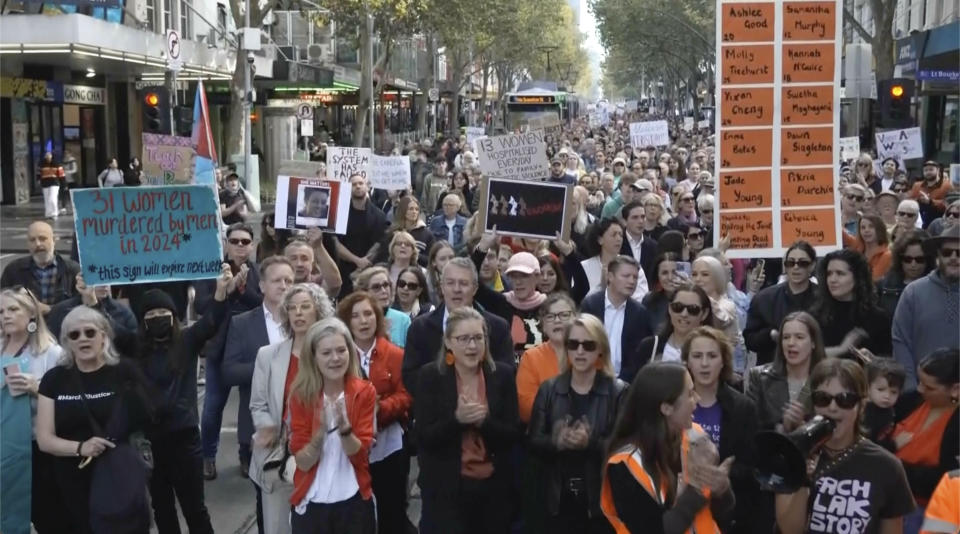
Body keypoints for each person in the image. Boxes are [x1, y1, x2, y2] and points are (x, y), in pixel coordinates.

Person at [35, 304, 159, 532]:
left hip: (120, 474)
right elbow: (44, 438)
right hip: (73, 481)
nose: (83, 338)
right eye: (74, 334)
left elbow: (147, 419)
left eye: (90, 332)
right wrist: (81, 447)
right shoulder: (54, 379)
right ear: (66, 342)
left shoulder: (125, 372)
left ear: (104, 336)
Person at [134, 275, 234, 533]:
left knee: (194, 509)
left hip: (185, 439)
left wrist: (221, 291)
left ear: (173, 315)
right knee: (162, 508)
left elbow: (212, 321)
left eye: (163, 311)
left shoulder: (187, 341)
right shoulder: (134, 349)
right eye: (151, 313)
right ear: (142, 320)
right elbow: (106, 329)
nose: (158, 317)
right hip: (151, 442)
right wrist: (93, 301)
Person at [773, 359, 916, 534]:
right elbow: (789, 530)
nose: (832, 407)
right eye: (822, 399)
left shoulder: (887, 466)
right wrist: (804, 478)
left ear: (861, 406)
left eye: (845, 400)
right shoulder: (792, 453)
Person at [414, 307, 520, 534]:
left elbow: (512, 434)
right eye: (463, 339)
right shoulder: (430, 376)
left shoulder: (502, 375)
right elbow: (423, 437)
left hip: (493, 491)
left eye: (478, 338)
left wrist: (485, 422)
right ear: (448, 342)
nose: (472, 346)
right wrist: (457, 420)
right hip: (447, 492)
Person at [600, 361, 735, 533]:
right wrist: (695, 491)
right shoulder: (625, 464)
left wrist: (722, 489)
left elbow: (723, 513)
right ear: (666, 408)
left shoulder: (696, 437)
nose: (697, 399)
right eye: (690, 394)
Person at [248, 282, 334, 534]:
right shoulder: (267, 355)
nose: (298, 313)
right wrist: (266, 426)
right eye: (292, 308)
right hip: (278, 458)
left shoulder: (334, 353)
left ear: (318, 311)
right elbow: (257, 404)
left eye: (305, 307)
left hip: (324, 455)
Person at [528, 314, 627, 534]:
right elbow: (533, 441)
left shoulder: (618, 391)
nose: (580, 351)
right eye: (573, 344)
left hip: (601, 502)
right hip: (557, 501)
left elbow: (625, 448)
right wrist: (557, 441)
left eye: (588, 345)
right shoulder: (549, 389)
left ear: (600, 349)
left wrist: (589, 442)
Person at [287, 318, 377, 534]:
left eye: (341, 350)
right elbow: (303, 462)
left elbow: (361, 455)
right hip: (312, 503)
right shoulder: (301, 396)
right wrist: (318, 436)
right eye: (326, 353)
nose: (335, 359)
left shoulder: (364, 392)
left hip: (353, 500)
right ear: (314, 357)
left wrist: (345, 430)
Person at [337, 292, 413, 534]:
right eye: (355, 316)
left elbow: (407, 396)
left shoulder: (395, 354)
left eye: (368, 314)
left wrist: (383, 408)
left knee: (392, 511)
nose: (363, 321)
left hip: (389, 445)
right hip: (351, 446)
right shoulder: (338, 356)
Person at [199, 224, 264, 480]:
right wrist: (223, 290)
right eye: (234, 241)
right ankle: (208, 456)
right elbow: (201, 305)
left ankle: (246, 454)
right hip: (220, 346)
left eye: (245, 241)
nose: (239, 245)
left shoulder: (259, 272)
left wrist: (242, 290)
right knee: (213, 405)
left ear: (252, 244)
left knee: (251, 405)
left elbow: (263, 303)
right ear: (225, 244)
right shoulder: (213, 270)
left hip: (250, 347)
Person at [681, 326, 760, 534]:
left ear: (723, 360)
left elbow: (752, 466)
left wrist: (723, 476)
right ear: (687, 361)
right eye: (697, 356)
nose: (705, 364)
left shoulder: (743, 408)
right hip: (682, 511)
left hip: (728, 515)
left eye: (712, 356)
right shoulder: (674, 405)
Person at [401, 258, 515, 400]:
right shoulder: (420, 328)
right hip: (435, 412)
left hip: (484, 411)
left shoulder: (498, 327)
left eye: (463, 283)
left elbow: (506, 376)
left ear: (475, 289)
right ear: (442, 287)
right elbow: (411, 377)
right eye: (450, 283)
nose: (456, 289)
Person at [1, 288, 63, 534]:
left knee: (48, 517)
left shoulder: (51, 353)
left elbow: (71, 401)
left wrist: (37, 388)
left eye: (13, 309)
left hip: (39, 451)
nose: (5, 315)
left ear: (31, 315)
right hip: (6, 449)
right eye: (1, 311)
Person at [889, 348, 959, 533]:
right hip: (887, 500)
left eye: (929, 387)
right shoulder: (910, 400)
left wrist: (893, 467)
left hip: (927, 511)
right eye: (920, 382)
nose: (920, 389)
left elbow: (946, 478)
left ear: (955, 389)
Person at [893, 226, 960, 390]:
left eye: (959, 253)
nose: (953, 258)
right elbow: (901, 342)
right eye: (946, 252)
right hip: (923, 395)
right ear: (938, 255)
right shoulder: (913, 293)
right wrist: (910, 388)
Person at [746, 311, 825, 432]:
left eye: (799, 337)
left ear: (813, 342)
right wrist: (782, 428)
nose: (791, 343)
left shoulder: (827, 380)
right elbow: (749, 428)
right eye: (786, 337)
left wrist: (803, 428)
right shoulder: (759, 377)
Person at [580, 255, 653, 383]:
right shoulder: (591, 305)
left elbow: (637, 356)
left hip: (625, 384)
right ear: (610, 277)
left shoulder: (640, 313)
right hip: (591, 378)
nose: (632, 281)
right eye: (626, 276)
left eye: (635, 277)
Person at [744, 241, 819, 365]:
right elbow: (750, 340)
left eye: (803, 263)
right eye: (790, 263)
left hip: (813, 369)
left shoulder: (823, 298)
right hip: (773, 370)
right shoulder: (764, 299)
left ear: (812, 265)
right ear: (785, 266)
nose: (796, 267)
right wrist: (771, 335)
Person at [811, 248, 891, 358]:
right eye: (829, 274)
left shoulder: (878, 318)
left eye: (840, 273)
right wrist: (841, 349)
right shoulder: (815, 316)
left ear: (857, 277)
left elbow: (889, 362)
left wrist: (873, 360)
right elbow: (807, 356)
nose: (832, 279)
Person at [516, 293, 577, 423]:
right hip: (544, 433)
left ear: (576, 319)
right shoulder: (531, 358)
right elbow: (525, 409)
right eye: (550, 316)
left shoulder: (589, 352)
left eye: (564, 315)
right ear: (543, 325)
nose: (557, 320)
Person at [1, 221, 81, 307]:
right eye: (32, 240)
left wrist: (50, 310)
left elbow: (80, 304)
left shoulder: (72, 270)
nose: (38, 244)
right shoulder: (13, 270)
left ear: (54, 240)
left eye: (42, 239)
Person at [691, 256, 746, 375]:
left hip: (728, 371)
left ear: (717, 276)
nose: (698, 279)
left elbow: (720, 319)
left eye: (705, 274)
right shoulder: (692, 303)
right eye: (694, 274)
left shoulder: (727, 304)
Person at [637, 282, 715, 365]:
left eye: (693, 309)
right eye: (678, 307)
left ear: (704, 314)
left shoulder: (715, 350)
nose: (684, 314)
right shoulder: (649, 347)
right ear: (669, 308)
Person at [336, 173, 388, 296]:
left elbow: (379, 243)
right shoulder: (340, 213)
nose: (358, 186)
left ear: (367, 187)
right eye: (354, 184)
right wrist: (357, 260)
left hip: (369, 270)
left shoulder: (379, 215)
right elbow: (335, 242)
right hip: (344, 271)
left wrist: (361, 266)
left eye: (361, 183)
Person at [46, 274, 137, 340]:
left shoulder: (123, 312)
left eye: (108, 276)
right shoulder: (61, 310)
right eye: (98, 277)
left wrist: (94, 306)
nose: (104, 284)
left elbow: (129, 344)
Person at [877, 230, 932, 319]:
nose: (913, 264)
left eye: (920, 259)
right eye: (907, 259)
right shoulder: (883, 286)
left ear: (928, 259)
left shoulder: (937, 287)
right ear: (900, 259)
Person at [353, 266, 411, 349]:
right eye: (376, 287)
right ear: (363, 292)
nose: (384, 291)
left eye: (386, 285)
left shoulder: (403, 320)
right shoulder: (357, 320)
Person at [376, 196, 435, 267]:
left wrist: (412, 252)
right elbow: (382, 255)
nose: (414, 212)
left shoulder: (427, 234)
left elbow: (431, 259)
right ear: (403, 210)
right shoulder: (392, 232)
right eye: (411, 209)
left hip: (416, 272)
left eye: (416, 209)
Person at [863, 357, 906, 444]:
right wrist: (895, 445)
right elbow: (870, 445)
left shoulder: (887, 409)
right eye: (880, 389)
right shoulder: (865, 413)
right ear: (867, 387)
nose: (887, 396)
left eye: (893, 392)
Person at [619, 200, 659, 282]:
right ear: (625, 221)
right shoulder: (618, 243)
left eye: (643, 217)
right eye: (635, 217)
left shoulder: (653, 246)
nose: (640, 221)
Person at [845, 214, 893, 281]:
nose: (866, 230)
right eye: (863, 227)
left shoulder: (886, 255)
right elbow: (843, 234)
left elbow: (873, 279)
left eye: (871, 226)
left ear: (879, 229)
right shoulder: (858, 246)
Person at [910, 161, 951, 227]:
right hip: (919, 219)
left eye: (931, 169)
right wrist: (918, 200)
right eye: (926, 170)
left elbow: (949, 205)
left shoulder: (947, 185)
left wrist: (930, 201)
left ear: (938, 170)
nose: (928, 172)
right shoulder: (917, 185)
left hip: (939, 220)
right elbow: (910, 201)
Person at [425, 240, 456, 306]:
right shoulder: (427, 283)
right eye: (442, 259)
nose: (448, 262)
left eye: (451, 258)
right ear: (434, 262)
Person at [37, 152, 64, 219]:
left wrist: (63, 183)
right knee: (46, 199)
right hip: (45, 183)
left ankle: (54, 213)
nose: (48, 157)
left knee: (52, 198)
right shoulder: (41, 164)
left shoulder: (57, 164)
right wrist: (38, 180)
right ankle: (48, 213)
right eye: (47, 156)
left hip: (54, 183)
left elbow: (61, 174)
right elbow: (38, 173)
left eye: (49, 155)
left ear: (52, 156)